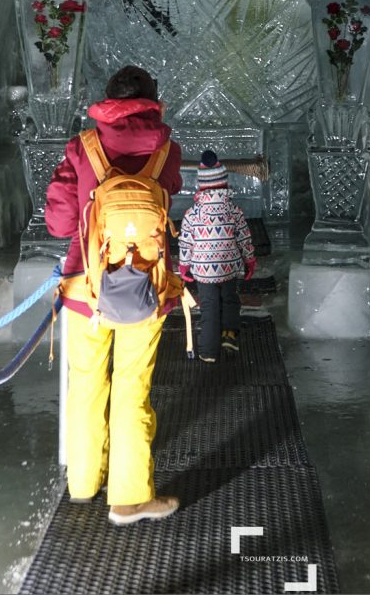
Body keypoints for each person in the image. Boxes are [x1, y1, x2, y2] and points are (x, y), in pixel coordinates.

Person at [45, 65, 182, 526]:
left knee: (86, 384)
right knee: (131, 387)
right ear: (153, 101)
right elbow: (169, 196)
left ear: (106, 101)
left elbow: (59, 224)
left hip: (85, 287)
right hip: (145, 289)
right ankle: (129, 497)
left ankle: (83, 484)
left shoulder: (82, 147)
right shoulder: (166, 150)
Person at [178, 150, 256, 363]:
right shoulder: (234, 210)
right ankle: (229, 334)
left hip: (203, 270)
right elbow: (244, 238)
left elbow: (186, 243)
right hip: (229, 267)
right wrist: (249, 261)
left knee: (209, 306)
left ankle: (208, 351)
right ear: (224, 184)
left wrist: (184, 267)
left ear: (201, 186)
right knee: (230, 299)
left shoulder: (192, 214)